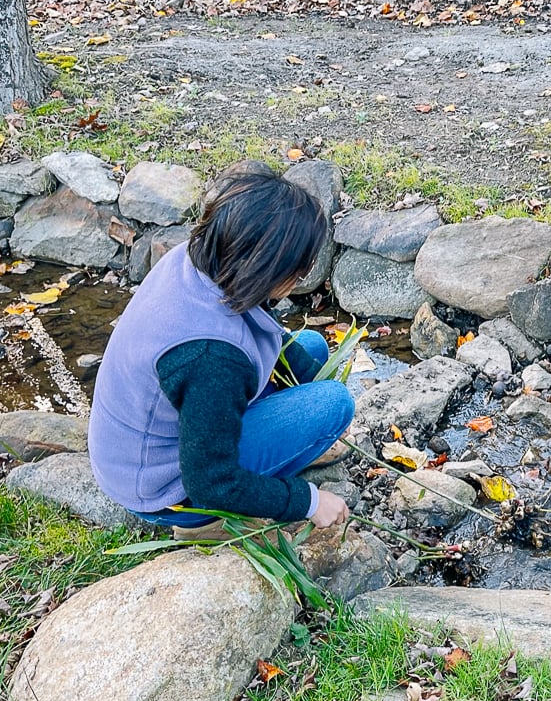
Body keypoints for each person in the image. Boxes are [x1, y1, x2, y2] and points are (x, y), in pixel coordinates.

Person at [88, 170, 354, 538]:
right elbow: (212, 482)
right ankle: (203, 527)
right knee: (333, 404)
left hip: (139, 448)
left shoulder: (200, 259)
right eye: (299, 270)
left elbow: (260, 324)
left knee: (312, 347)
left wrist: (306, 372)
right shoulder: (211, 357)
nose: (302, 278)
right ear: (265, 270)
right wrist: (307, 501)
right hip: (168, 491)